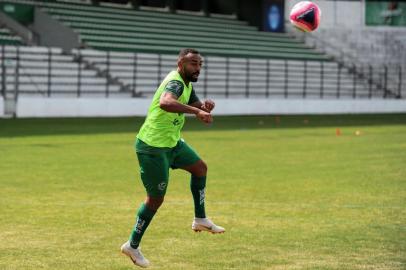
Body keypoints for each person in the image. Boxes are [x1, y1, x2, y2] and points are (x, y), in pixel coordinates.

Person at [121, 48, 225, 268]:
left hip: (172, 143)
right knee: (155, 200)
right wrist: (197, 113)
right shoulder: (176, 82)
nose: (197, 68)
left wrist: (203, 107)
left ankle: (200, 219)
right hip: (153, 147)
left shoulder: (187, 84)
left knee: (200, 168)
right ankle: (132, 245)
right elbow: (166, 102)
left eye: (200, 64)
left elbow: (193, 104)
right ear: (181, 64)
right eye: (193, 64)